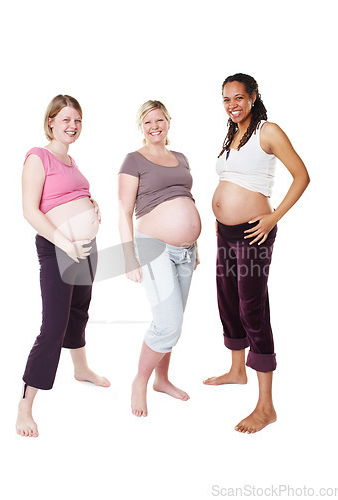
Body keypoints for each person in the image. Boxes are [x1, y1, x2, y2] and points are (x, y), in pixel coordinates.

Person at [203, 74, 310, 433]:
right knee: (227, 301)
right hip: (227, 232)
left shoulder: (268, 130)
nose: (232, 105)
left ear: (252, 98)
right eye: (226, 99)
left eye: (238, 98)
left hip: (253, 233)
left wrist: (273, 217)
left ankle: (266, 407)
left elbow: (302, 176)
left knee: (252, 307)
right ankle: (237, 370)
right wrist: (220, 219)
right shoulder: (232, 135)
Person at [16, 95, 110, 438]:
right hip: (59, 249)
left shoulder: (71, 161)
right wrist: (65, 241)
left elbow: (68, 196)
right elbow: (30, 210)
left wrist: (89, 201)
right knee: (53, 324)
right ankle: (25, 406)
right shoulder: (37, 157)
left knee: (79, 311)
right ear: (51, 121)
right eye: (66, 119)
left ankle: (81, 368)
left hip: (85, 248)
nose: (73, 126)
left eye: (78, 120)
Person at [118, 100, 201, 417]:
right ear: (141, 126)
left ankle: (162, 379)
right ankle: (141, 381)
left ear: (168, 121)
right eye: (148, 122)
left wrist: (195, 244)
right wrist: (128, 257)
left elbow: (185, 198)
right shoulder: (133, 160)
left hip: (186, 251)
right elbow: (124, 212)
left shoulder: (180, 158)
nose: (155, 126)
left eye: (160, 120)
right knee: (169, 322)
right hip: (153, 247)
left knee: (173, 321)